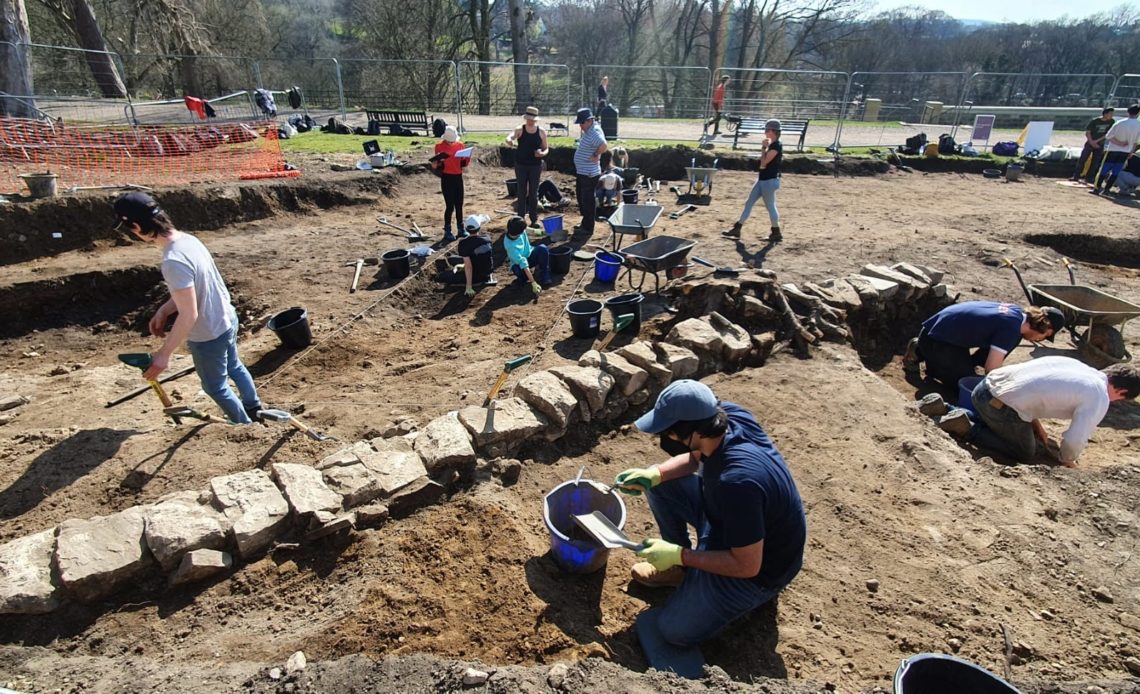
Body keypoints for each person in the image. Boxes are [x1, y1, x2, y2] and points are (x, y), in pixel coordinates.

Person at [613, 380, 806, 650]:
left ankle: (694, 574)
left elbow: (747, 565)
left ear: (693, 431)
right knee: (662, 483)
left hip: (760, 570)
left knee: (672, 630)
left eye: (668, 432)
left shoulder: (736, 483)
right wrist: (654, 474)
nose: (664, 439)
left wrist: (681, 553)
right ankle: (680, 571)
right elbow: (695, 458)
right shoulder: (724, 417)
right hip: (731, 524)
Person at [113, 192, 261, 424]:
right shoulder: (188, 240)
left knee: (215, 386)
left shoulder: (172, 261)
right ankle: (254, 407)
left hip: (208, 333)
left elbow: (190, 313)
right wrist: (164, 310)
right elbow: (197, 290)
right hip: (227, 318)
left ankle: (246, 426)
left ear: (135, 226)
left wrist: (163, 355)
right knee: (234, 365)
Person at [937, 357, 1140, 466]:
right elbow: (1075, 439)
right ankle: (967, 429)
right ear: (1121, 391)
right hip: (999, 404)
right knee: (1024, 452)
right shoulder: (1098, 395)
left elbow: (1033, 388)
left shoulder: (1077, 366)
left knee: (1014, 427)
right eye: (1119, 399)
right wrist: (1067, 459)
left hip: (983, 388)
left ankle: (945, 408)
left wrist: (1036, 426)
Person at [903, 301, 1065, 388]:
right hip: (936, 339)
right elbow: (992, 369)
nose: (1040, 340)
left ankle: (951, 364)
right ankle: (919, 350)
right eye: (1046, 336)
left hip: (942, 332)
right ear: (1044, 325)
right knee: (962, 385)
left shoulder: (1016, 315)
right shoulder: (1010, 329)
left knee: (970, 375)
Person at [724, 119, 783, 243]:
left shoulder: (776, 146)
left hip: (768, 181)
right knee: (749, 202)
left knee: (771, 207)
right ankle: (737, 228)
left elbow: (763, 163)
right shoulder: (773, 145)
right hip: (763, 180)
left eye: (767, 130)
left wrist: (763, 148)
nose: (765, 132)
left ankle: (776, 232)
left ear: (773, 131)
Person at [506, 106, 549, 229]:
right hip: (521, 164)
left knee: (533, 192)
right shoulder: (520, 129)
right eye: (529, 119)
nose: (530, 121)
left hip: (535, 165)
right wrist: (509, 140)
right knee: (521, 190)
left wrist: (542, 154)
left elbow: (546, 148)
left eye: (532, 119)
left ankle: (533, 218)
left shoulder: (541, 132)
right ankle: (520, 217)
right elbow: (510, 136)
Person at [1092, 103, 1140, 196]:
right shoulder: (1139, 125)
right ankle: (1107, 189)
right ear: (1138, 113)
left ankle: (1097, 188)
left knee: (1104, 169)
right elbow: (1135, 142)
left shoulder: (1120, 123)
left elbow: (1108, 136)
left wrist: (1119, 143)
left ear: (1128, 112)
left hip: (1113, 149)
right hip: (1126, 151)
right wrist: (1131, 151)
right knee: (1116, 171)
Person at [573, 108, 607, 234]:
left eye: (582, 123)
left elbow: (603, 145)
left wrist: (596, 154)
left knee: (587, 200)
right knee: (582, 198)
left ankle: (588, 227)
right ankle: (585, 222)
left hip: (588, 173)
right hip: (584, 171)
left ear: (589, 121)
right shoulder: (591, 129)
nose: (580, 126)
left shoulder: (593, 132)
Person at [433, 125, 470, 242]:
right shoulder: (439, 146)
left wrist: (466, 157)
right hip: (447, 178)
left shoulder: (460, 145)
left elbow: (464, 163)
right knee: (450, 206)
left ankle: (461, 228)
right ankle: (447, 231)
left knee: (459, 204)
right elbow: (436, 165)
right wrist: (436, 163)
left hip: (458, 177)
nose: (451, 143)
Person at [503, 216, 551, 296]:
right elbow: (523, 263)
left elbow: (529, 230)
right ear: (519, 232)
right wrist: (533, 282)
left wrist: (544, 233)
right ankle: (524, 278)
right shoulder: (510, 246)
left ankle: (544, 274)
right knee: (520, 273)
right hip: (518, 264)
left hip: (530, 254)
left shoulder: (517, 230)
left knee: (542, 248)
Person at [1072, 107, 1114, 183]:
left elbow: (1107, 134)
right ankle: (1076, 176)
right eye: (1110, 114)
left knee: (1096, 162)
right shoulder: (1095, 121)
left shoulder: (1111, 122)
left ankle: (1089, 178)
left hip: (1100, 144)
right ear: (1105, 114)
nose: (1111, 115)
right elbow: (1088, 132)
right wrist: (1091, 142)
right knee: (1083, 159)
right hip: (1090, 142)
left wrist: (1097, 141)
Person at [457, 230, 496, 298]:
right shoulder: (487, 237)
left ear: (466, 228)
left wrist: (469, 286)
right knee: (453, 258)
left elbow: (469, 267)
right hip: (487, 271)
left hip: (476, 277)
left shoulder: (463, 243)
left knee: (444, 276)